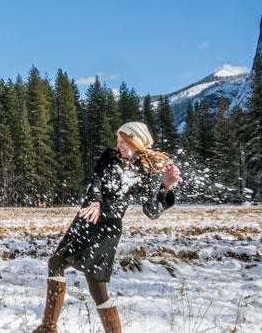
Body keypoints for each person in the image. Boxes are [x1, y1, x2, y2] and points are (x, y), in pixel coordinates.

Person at [33, 122, 181, 333]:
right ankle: (49, 328)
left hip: (107, 229)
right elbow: (96, 180)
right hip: (86, 218)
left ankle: (48, 328)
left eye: (123, 141)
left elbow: (152, 211)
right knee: (77, 276)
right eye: (118, 140)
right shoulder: (109, 157)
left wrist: (166, 186)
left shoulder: (145, 173)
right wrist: (95, 201)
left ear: (136, 143)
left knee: (79, 276)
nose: (118, 145)